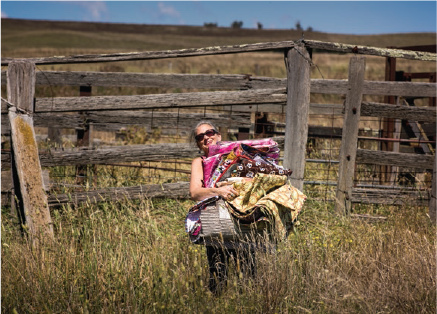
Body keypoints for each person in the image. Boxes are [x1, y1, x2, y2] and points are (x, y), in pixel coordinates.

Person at [189, 120, 255, 294]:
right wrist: (218, 191)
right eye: (200, 136)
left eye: (210, 133)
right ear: (198, 143)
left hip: (242, 219)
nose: (206, 138)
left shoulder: (237, 156)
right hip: (215, 221)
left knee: (249, 275)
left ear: (219, 135)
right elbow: (195, 193)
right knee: (218, 274)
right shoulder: (199, 162)